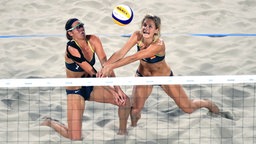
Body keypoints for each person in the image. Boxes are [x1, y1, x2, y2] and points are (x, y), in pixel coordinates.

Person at [99, 14, 220, 127]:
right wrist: (106, 66)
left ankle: (206, 103)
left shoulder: (159, 45)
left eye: (150, 26)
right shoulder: (137, 36)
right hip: (143, 77)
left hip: (164, 78)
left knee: (188, 108)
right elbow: (121, 52)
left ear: (156, 30)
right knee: (135, 111)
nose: (146, 28)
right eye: (144, 25)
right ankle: (134, 128)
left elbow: (133, 57)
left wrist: (111, 67)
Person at [41, 18, 130, 140]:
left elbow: (107, 66)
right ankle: (50, 122)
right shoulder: (71, 48)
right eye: (77, 27)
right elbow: (93, 72)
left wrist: (118, 89)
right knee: (75, 137)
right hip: (76, 90)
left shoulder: (93, 40)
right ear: (70, 33)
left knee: (125, 101)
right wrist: (111, 91)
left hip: (92, 85)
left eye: (82, 25)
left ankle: (122, 133)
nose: (81, 28)